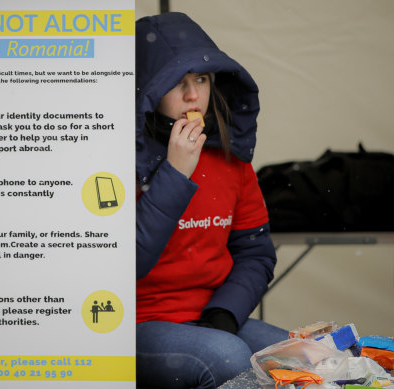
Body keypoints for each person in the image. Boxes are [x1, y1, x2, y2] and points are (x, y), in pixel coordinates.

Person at [135, 12, 289, 389]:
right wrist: (175, 173)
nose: (192, 96)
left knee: (309, 358)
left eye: (201, 79)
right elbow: (127, 261)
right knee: (229, 360)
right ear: (148, 88)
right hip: (134, 324)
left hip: (210, 317)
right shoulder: (116, 160)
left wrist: (224, 314)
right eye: (177, 82)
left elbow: (254, 252)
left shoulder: (230, 159)